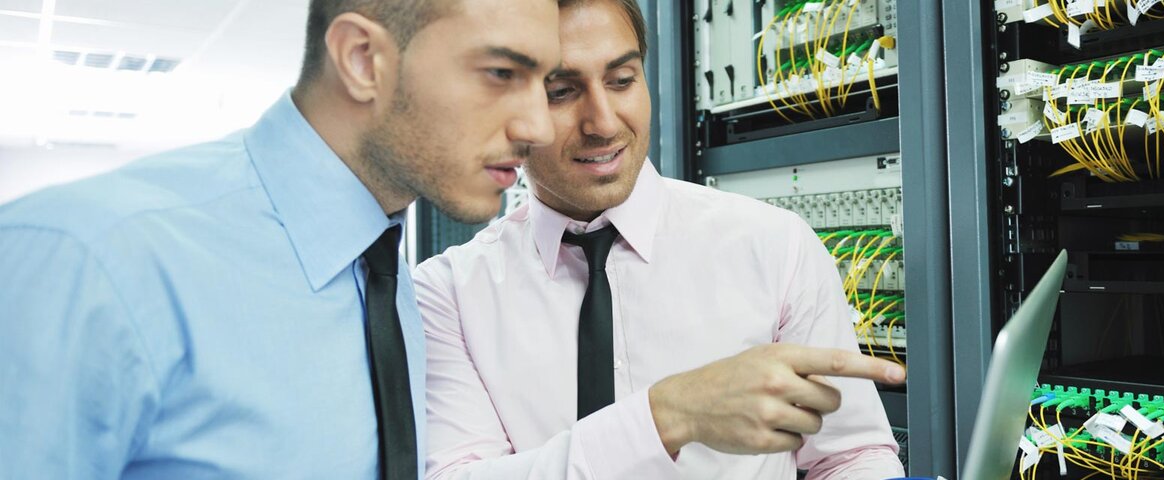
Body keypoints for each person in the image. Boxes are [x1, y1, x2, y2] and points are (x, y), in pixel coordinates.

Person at [0, 0, 561, 477]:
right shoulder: (87, 259)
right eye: (501, 74)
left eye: (546, 84)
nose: (540, 127)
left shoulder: (385, 276)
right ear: (363, 60)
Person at [413, 0, 908, 478]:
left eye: (622, 80)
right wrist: (666, 417)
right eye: (561, 91)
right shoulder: (449, 293)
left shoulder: (775, 246)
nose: (604, 123)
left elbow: (847, 457)